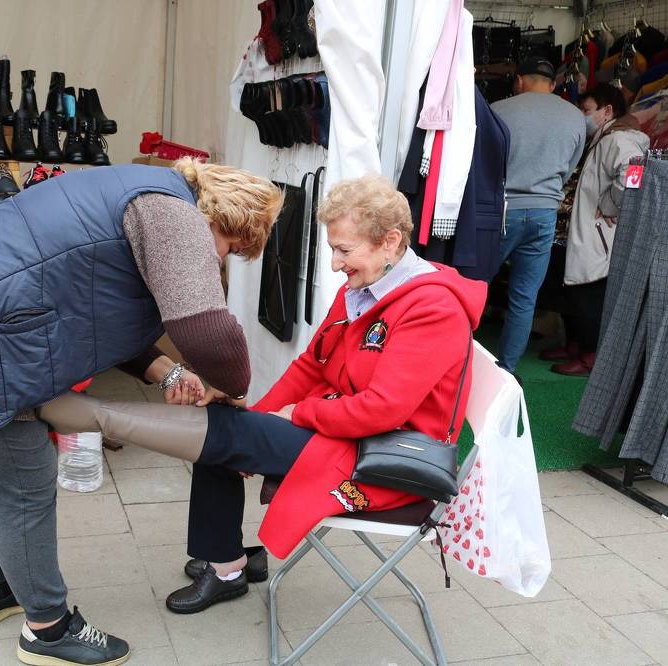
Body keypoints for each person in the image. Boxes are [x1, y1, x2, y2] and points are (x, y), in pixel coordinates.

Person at [0, 158, 281, 666]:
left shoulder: (145, 191)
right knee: (24, 477)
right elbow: (208, 330)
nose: (222, 260)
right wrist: (233, 389)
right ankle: (48, 629)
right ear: (230, 222)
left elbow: (104, 306)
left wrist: (168, 373)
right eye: (230, 249)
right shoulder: (177, 217)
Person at [40, 174, 487, 613]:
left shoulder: (432, 308)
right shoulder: (368, 285)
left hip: (388, 459)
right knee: (228, 427)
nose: (335, 265)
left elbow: (382, 411)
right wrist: (261, 412)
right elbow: (312, 364)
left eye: (345, 250)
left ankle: (223, 563)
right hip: (352, 432)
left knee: (223, 434)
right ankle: (225, 560)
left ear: (390, 241)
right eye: (332, 249)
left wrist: (296, 414)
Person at [490, 57, 586, 373]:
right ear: (553, 84)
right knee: (524, 298)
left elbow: (483, 163)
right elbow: (570, 167)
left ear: (519, 80)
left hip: (502, 209)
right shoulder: (576, 116)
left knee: (474, 287)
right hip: (545, 212)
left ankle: (456, 361)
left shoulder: (499, 109)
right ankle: (507, 370)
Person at [550, 84, 649, 377]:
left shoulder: (619, 140)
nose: (582, 115)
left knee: (589, 295)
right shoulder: (604, 137)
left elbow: (635, 173)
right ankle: (576, 345)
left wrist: (611, 205)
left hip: (599, 233)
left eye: (587, 110)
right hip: (584, 229)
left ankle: (591, 356)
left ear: (607, 111)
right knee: (575, 291)